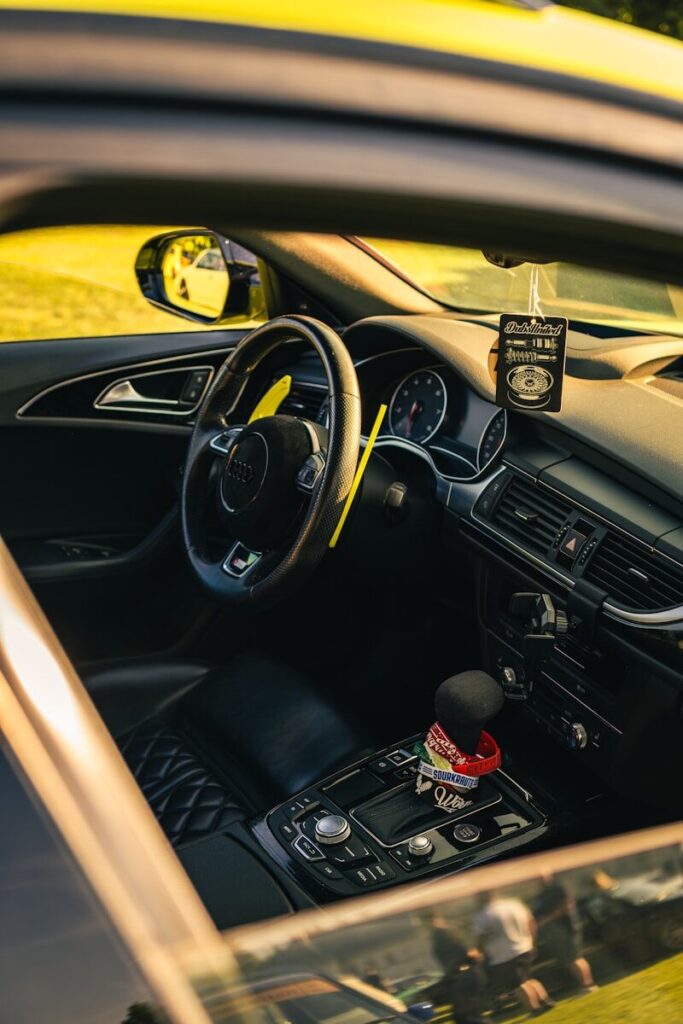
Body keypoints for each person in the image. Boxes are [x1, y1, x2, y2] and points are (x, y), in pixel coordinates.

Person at [472, 891, 554, 1017]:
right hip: (525, 947)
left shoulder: (483, 915)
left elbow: (481, 937)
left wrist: (478, 951)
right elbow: (531, 923)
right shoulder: (514, 904)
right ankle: (546, 1001)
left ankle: (535, 1009)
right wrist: (532, 942)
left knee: (517, 984)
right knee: (527, 978)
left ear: (481, 897)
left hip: (505, 955)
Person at [536, 873, 598, 995]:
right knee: (576, 958)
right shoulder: (546, 893)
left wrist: (545, 921)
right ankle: (588, 985)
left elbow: (565, 907)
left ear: (549, 876)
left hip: (568, 928)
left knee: (572, 959)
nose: (540, 881)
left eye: (541, 877)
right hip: (563, 929)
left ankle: (587, 986)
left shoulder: (558, 889)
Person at [429, 912, 486, 1024]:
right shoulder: (445, 933)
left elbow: (463, 953)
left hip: (463, 977)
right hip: (466, 976)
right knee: (470, 1013)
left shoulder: (442, 935)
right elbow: (467, 953)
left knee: (465, 1016)